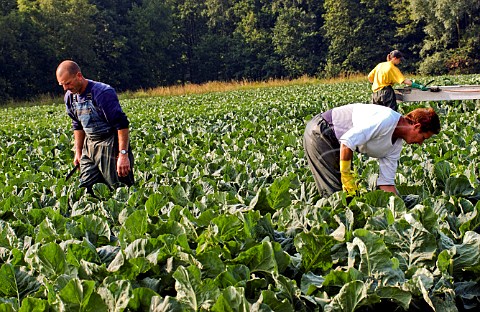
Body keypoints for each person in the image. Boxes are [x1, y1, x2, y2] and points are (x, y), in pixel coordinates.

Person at [303, 104, 440, 198]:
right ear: (416, 127)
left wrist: (400, 210)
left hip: (338, 142)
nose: (421, 143)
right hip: (322, 131)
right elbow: (347, 142)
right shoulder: (386, 119)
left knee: (349, 196)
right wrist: (346, 176)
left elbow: (386, 184)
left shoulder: (396, 146)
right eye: (423, 138)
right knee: (335, 194)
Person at [56, 60, 134, 194]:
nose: (65, 88)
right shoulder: (70, 97)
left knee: (119, 190)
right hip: (89, 145)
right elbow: (77, 125)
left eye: (68, 83)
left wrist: (123, 155)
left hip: (109, 144)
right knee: (86, 188)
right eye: (62, 85)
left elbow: (121, 125)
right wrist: (78, 151)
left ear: (79, 76)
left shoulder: (102, 93)